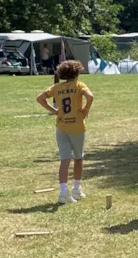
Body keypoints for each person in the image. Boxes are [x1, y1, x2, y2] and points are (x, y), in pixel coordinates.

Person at [36, 60, 94, 204]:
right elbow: (90, 96)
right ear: (77, 73)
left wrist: (54, 111)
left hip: (61, 126)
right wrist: (86, 109)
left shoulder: (56, 87)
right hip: (77, 126)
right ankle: (76, 189)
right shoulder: (79, 85)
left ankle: (63, 192)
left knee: (64, 159)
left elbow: (40, 98)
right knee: (78, 158)